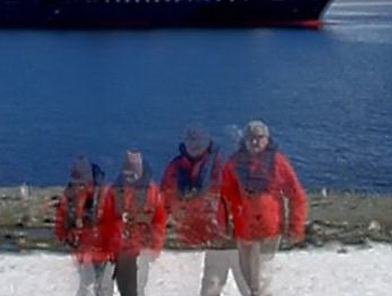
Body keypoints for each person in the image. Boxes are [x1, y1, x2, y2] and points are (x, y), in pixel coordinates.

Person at [220, 120, 308, 296]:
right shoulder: (234, 162)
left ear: (267, 139)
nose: (255, 142)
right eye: (251, 138)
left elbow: (296, 195)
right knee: (247, 278)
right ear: (244, 140)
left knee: (261, 279)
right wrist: (224, 225)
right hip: (243, 227)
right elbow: (224, 196)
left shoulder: (278, 162)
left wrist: (295, 227)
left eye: (259, 138)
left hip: (270, 228)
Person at [161, 124, 250, 296]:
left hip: (226, 235)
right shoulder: (175, 167)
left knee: (245, 281)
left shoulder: (221, 166)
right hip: (194, 238)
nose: (194, 144)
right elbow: (164, 199)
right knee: (211, 285)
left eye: (198, 140)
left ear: (207, 142)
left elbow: (239, 199)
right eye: (190, 139)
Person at [102, 150, 167, 296]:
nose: (128, 176)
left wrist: (154, 246)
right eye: (126, 171)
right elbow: (105, 220)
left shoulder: (152, 192)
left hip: (141, 250)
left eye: (132, 171)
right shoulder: (113, 191)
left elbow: (159, 221)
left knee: (135, 290)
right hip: (118, 251)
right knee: (113, 288)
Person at [54, 155, 113, 296]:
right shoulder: (69, 196)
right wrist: (64, 236)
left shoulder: (104, 195)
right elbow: (61, 218)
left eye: (81, 183)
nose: (78, 187)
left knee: (103, 287)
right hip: (82, 248)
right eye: (76, 183)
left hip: (103, 249)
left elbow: (114, 222)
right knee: (85, 286)